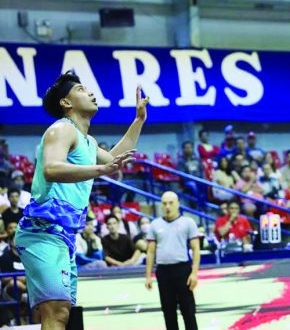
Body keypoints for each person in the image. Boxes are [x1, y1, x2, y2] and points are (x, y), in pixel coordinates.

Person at [14, 72, 146, 329]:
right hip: (42, 232)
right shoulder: (62, 128)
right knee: (55, 312)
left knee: (61, 313)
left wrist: (139, 120)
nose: (91, 93)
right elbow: (52, 168)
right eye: (82, 89)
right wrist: (100, 171)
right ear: (66, 103)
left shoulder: (87, 141)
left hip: (64, 236)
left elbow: (113, 159)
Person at [145, 192, 200, 330]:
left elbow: (196, 250)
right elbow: (150, 252)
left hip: (183, 270)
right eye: (164, 203)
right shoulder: (155, 224)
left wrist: (194, 273)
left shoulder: (188, 222)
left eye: (171, 203)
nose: (167, 206)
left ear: (178, 204)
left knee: (188, 310)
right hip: (163, 271)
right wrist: (147, 276)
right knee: (168, 311)